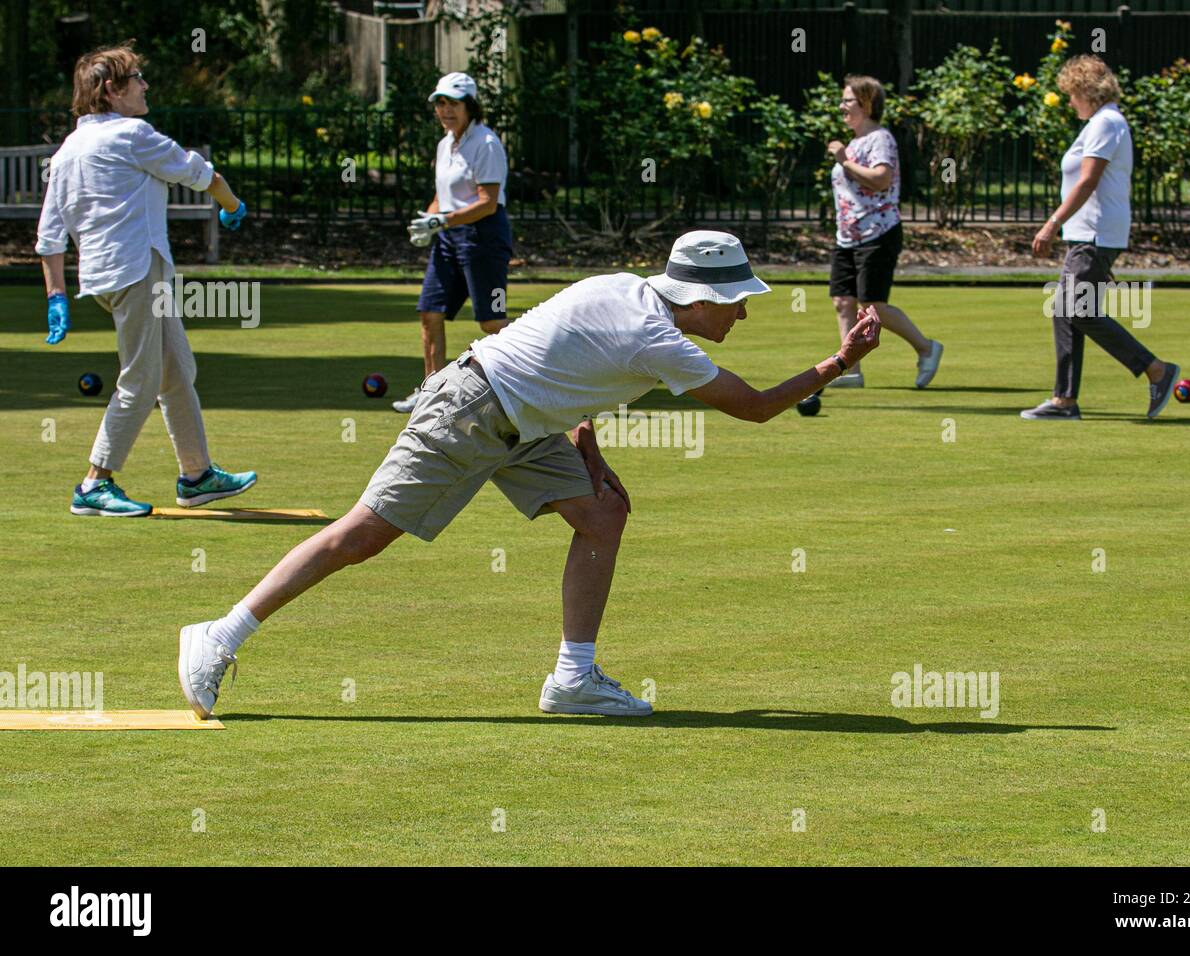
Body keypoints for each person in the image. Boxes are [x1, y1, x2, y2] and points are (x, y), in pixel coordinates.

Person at [178, 231, 883, 719]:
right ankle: (220, 633)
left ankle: (574, 678)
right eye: (736, 299)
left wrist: (590, 450)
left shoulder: (625, 290)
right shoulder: (661, 340)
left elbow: (570, 362)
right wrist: (839, 362)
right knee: (362, 536)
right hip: (472, 409)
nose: (745, 310)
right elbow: (756, 408)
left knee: (603, 512)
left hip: (524, 418)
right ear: (699, 296)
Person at [36, 43, 257, 516]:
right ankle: (95, 483)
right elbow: (199, 172)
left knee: (176, 372)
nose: (145, 85)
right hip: (138, 270)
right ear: (111, 91)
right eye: (136, 77)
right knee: (141, 379)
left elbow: (49, 235)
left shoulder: (67, 149)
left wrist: (56, 295)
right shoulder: (132, 134)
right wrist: (233, 204)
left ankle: (197, 476)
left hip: (108, 276)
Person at [1022, 55, 1180, 420]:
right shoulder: (1101, 122)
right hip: (1087, 233)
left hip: (1094, 233)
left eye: (1072, 94)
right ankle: (1064, 400)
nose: (1069, 101)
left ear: (1086, 91)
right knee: (1065, 310)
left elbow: (1088, 180)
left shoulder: (1106, 122)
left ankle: (1156, 369)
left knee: (1078, 309)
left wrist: (1051, 224)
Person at [392, 72, 514, 414]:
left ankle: (517, 385)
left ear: (470, 107)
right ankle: (432, 392)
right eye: (440, 103)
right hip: (447, 238)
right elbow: (442, 195)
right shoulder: (445, 143)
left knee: (492, 322)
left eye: (453, 103)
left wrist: (442, 219)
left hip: (484, 238)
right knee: (430, 312)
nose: (446, 110)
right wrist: (427, 222)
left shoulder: (486, 143)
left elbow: (487, 201)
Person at [827, 73, 942, 389]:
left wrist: (843, 161)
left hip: (878, 232)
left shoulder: (881, 139)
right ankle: (850, 369)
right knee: (842, 301)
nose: (842, 107)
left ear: (866, 103)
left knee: (872, 305)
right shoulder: (855, 142)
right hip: (847, 236)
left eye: (848, 100)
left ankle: (927, 348)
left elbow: (880, 179)